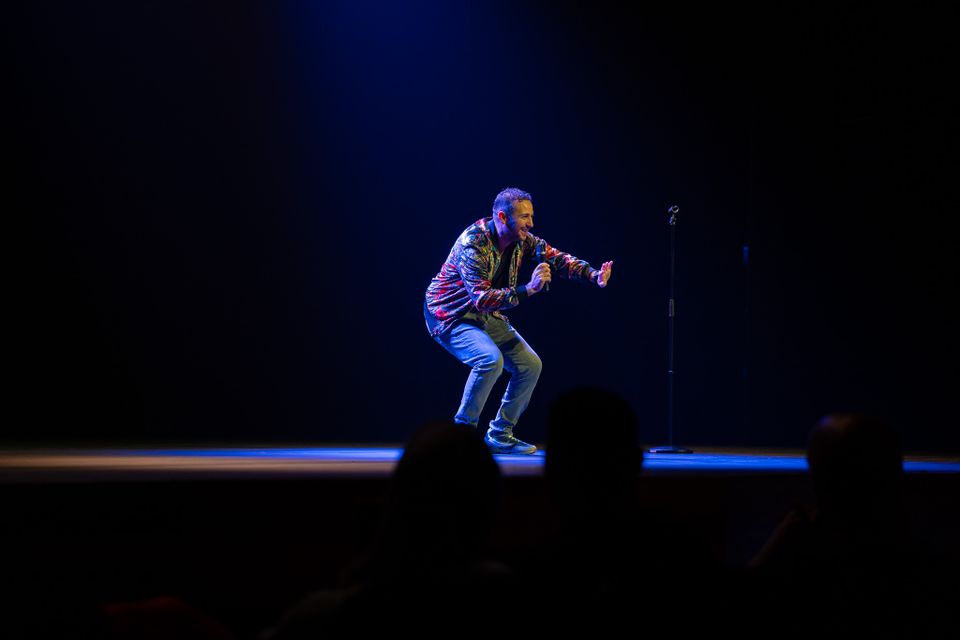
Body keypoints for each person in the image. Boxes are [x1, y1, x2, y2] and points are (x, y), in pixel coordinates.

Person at [423, 187, 613, 454]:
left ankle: (500, 434)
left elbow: (556, 257)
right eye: (524, 217)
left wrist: (593, 275)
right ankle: (460, 437)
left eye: (531, 216)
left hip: (484, 314)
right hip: (449, 314)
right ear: (503, 217)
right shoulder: (473, 243)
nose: (531, 223)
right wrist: (529, 289)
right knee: (489, 360)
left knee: (530, 365)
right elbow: (482, 298)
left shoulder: (522, 240)